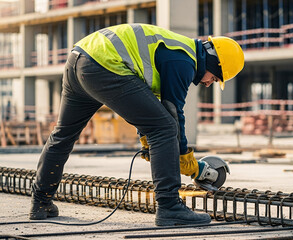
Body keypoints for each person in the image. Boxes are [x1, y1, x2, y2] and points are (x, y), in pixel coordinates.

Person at [29, 23, 244, 226]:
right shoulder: (184, 60)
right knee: (165, 128)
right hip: (104, 64)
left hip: (79, 58)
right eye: (214, 78)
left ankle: (40, 203)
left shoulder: (177, 49)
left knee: (62, 136)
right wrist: (185, 158)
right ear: (213, 62)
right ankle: (169, 207)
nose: (208, 83)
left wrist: (146, 137)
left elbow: (143, 101)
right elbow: (173, 114)